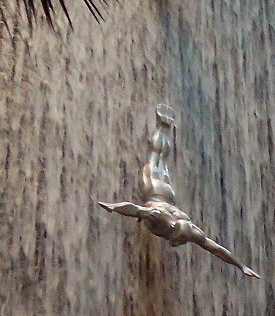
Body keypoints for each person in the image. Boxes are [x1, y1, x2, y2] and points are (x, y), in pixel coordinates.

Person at [100, 105, 260, 278]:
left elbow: (216, 249)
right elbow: (135, 210)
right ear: (172, 228)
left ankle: (164, 127)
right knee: (155, 159)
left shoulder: (190, 232)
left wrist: (242, 265)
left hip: (167, 195)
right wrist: (114, 207)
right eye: (177, 239)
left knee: (159, 159)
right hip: (154, 190)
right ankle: (163, 126)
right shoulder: (161, 216)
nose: (177, 242)